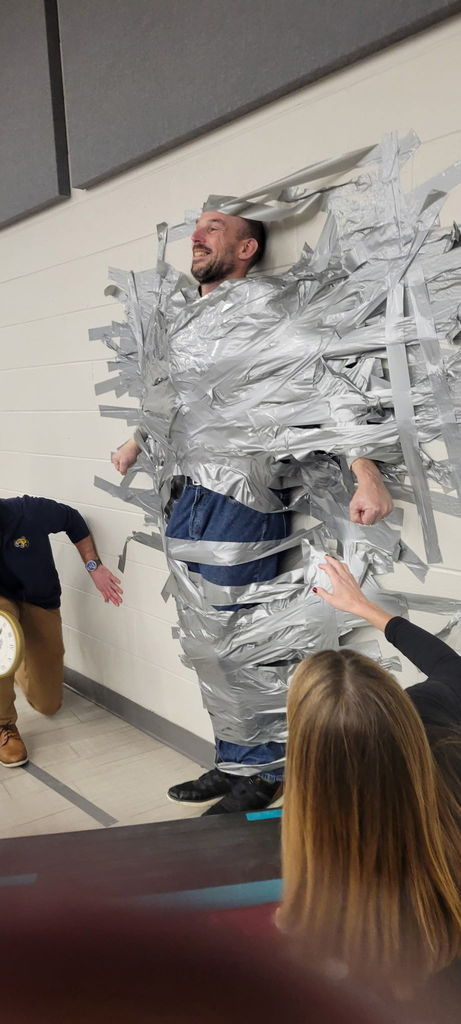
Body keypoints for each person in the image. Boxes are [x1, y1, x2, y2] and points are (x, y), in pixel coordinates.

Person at [112, 212, 393, 814]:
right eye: (196, 229)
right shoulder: (186, 320)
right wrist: (137, 441)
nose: (198, 235)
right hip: (183, 490)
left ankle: (265, 770)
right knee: (206, 636)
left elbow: (326, 381)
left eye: (214, 228)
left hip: (240, 491)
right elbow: (169, 393)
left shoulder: (267, 307)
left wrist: (365, 472)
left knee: (244, 631)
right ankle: (232, 758)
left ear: (246, 248)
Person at [278, 554, 461, 999]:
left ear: (307, 757)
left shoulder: (321, 870)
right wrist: (366, 609)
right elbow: (451, 667)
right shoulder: (437, 727)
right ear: (395, 704)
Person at [0, 494, 123, 766]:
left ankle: (16, 659)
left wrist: (94, 566)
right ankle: (3, 725)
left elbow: (73, 520)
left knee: (48, 705)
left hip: (39, 597)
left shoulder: (28, 512)